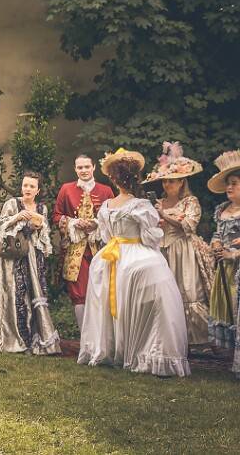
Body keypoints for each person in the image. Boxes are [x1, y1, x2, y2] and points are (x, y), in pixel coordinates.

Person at [77, 149, 189, 377]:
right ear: (135, 177)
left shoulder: (107, 206)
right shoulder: (141, 205)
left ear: (114, 179)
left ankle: (111, 348)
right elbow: (150, 237)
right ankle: (148, 352)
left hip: (111, 256)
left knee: (111, 303)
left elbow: (106, 236)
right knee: (157, 299)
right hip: (136, 253)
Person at [0, 172, 61, 355]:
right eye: (25, 185)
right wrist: (18, 218)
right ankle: (13, 337)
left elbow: (44, 234)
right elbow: (2, 227)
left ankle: (34, 336)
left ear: (38, 190)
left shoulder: (42, 208)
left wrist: (37, 227)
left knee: (33, 292)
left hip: (33, 255)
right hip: (13, 256)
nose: (27, 189)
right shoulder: (12, 204)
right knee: (12, 292)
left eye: (32, 186)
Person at [142, 142, 212, 345]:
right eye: (165, 181)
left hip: (183, 251)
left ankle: (199, 340)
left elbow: (189, 225)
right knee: (165, 294)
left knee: (188, 291)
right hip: (162, 252)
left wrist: (164, 215)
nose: (167, 185)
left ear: (182, 182)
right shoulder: (159, 202)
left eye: (172, 181)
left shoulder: (191, 201)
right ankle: (171, 339)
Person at [53, 154, 115, 330]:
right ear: (75, 169)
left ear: (93, 167)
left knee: (101, 291)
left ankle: (101, 334)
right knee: (78, 294)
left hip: (100, 249)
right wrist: (73, 223)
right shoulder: (66, 189)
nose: (84, 170)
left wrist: (96, 224)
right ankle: (84, 336)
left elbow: (113, 218)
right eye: (80, 167)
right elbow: (56, 216)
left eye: (87, 166)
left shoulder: (106, 191)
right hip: (75, 251)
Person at [207, 150, 240, 365]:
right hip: (224, 268)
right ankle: (231, 354)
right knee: (226, 308)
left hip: (237, 267)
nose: (229, 187)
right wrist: (217, 244)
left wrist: (233, 254)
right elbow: (218, 234)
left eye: (234, 183)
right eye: (228, 183)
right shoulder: (222, 210)